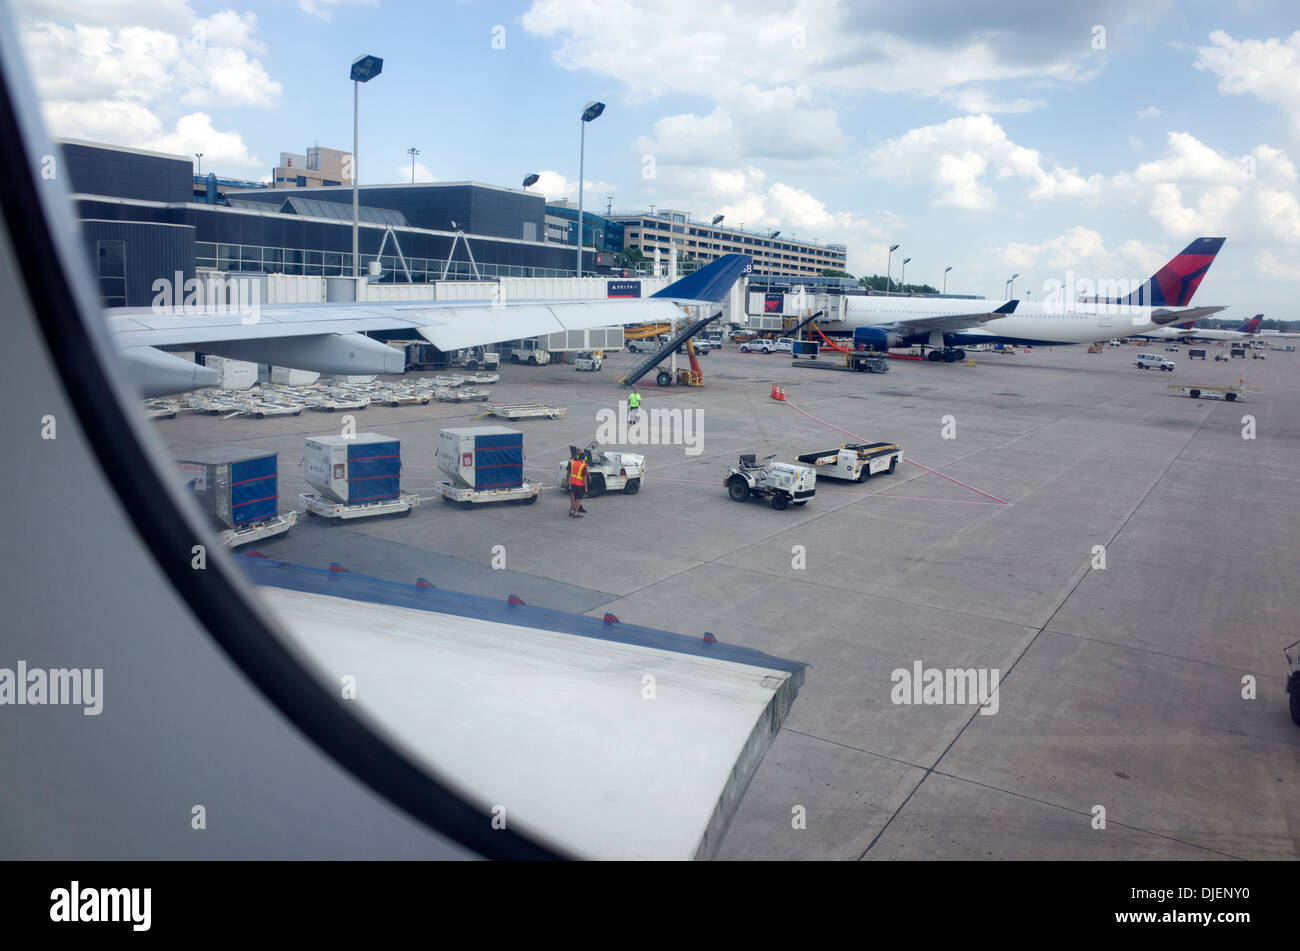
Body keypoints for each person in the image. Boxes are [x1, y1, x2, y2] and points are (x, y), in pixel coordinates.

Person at [567, 445, 587, 518]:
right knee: (578, 498)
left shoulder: (572, 461)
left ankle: (572, 510)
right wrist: (586, 487)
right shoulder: (582, 465)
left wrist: (567, 480)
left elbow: (568, 472)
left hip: (572, 483)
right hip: (579, 484)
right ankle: (576, 512)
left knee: (573, 496)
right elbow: (584, 477)